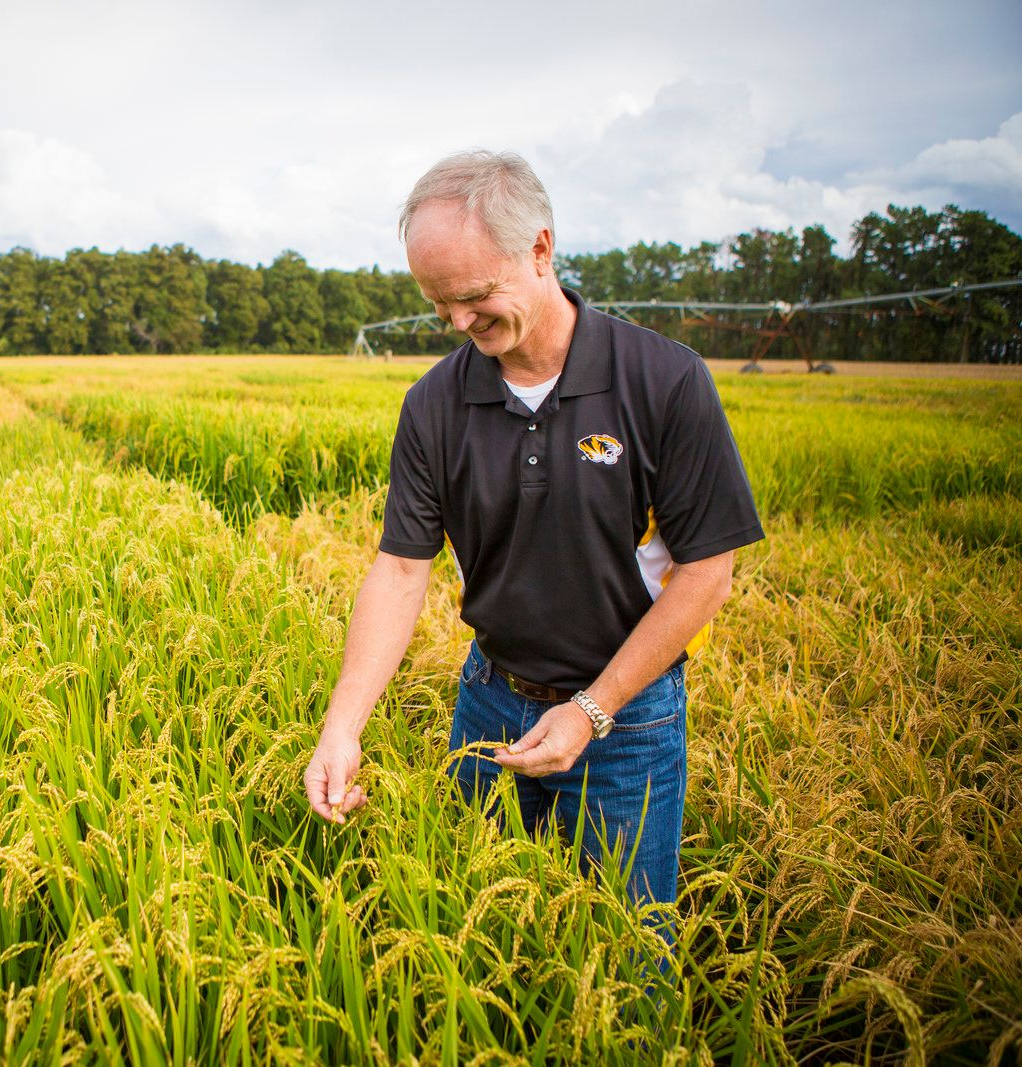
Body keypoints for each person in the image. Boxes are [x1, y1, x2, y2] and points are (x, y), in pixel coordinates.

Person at [302, 150, 764, 944]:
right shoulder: (435, 404)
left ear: (541, 250)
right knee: (474, 940)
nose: (457, 324)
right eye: (437, 303)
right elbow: (402, 568)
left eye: (475, 296)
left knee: (623, 956)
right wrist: (342, 726)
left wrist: (593, 709)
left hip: (627, 718)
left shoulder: (662, 381)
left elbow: (708, 571)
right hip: (489, 703)